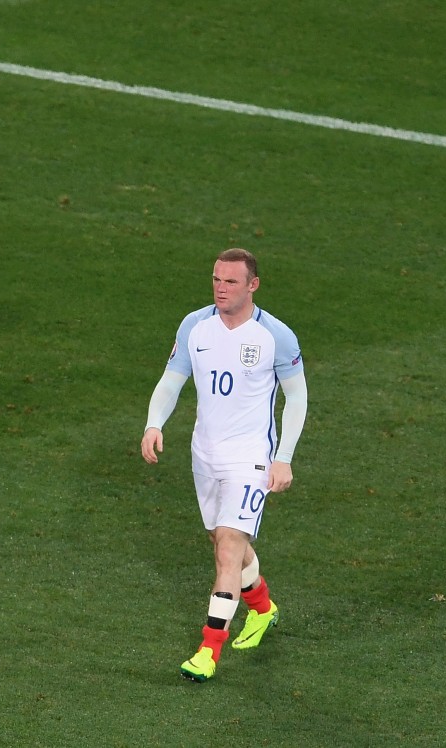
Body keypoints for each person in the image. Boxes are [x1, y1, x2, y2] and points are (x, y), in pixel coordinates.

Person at [140, 248, 308, 682]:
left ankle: (208, 651)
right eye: (216, 279)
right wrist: (153, 424)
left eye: (231, 281)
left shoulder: (276, 336)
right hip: (205, 453)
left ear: (252, 285)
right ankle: (263, 608)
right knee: (221, 541)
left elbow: (298, 397)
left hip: (251, 456)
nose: (220, 287)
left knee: (229, 547)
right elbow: (172, 380)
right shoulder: (195, 325)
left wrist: (283, 458)